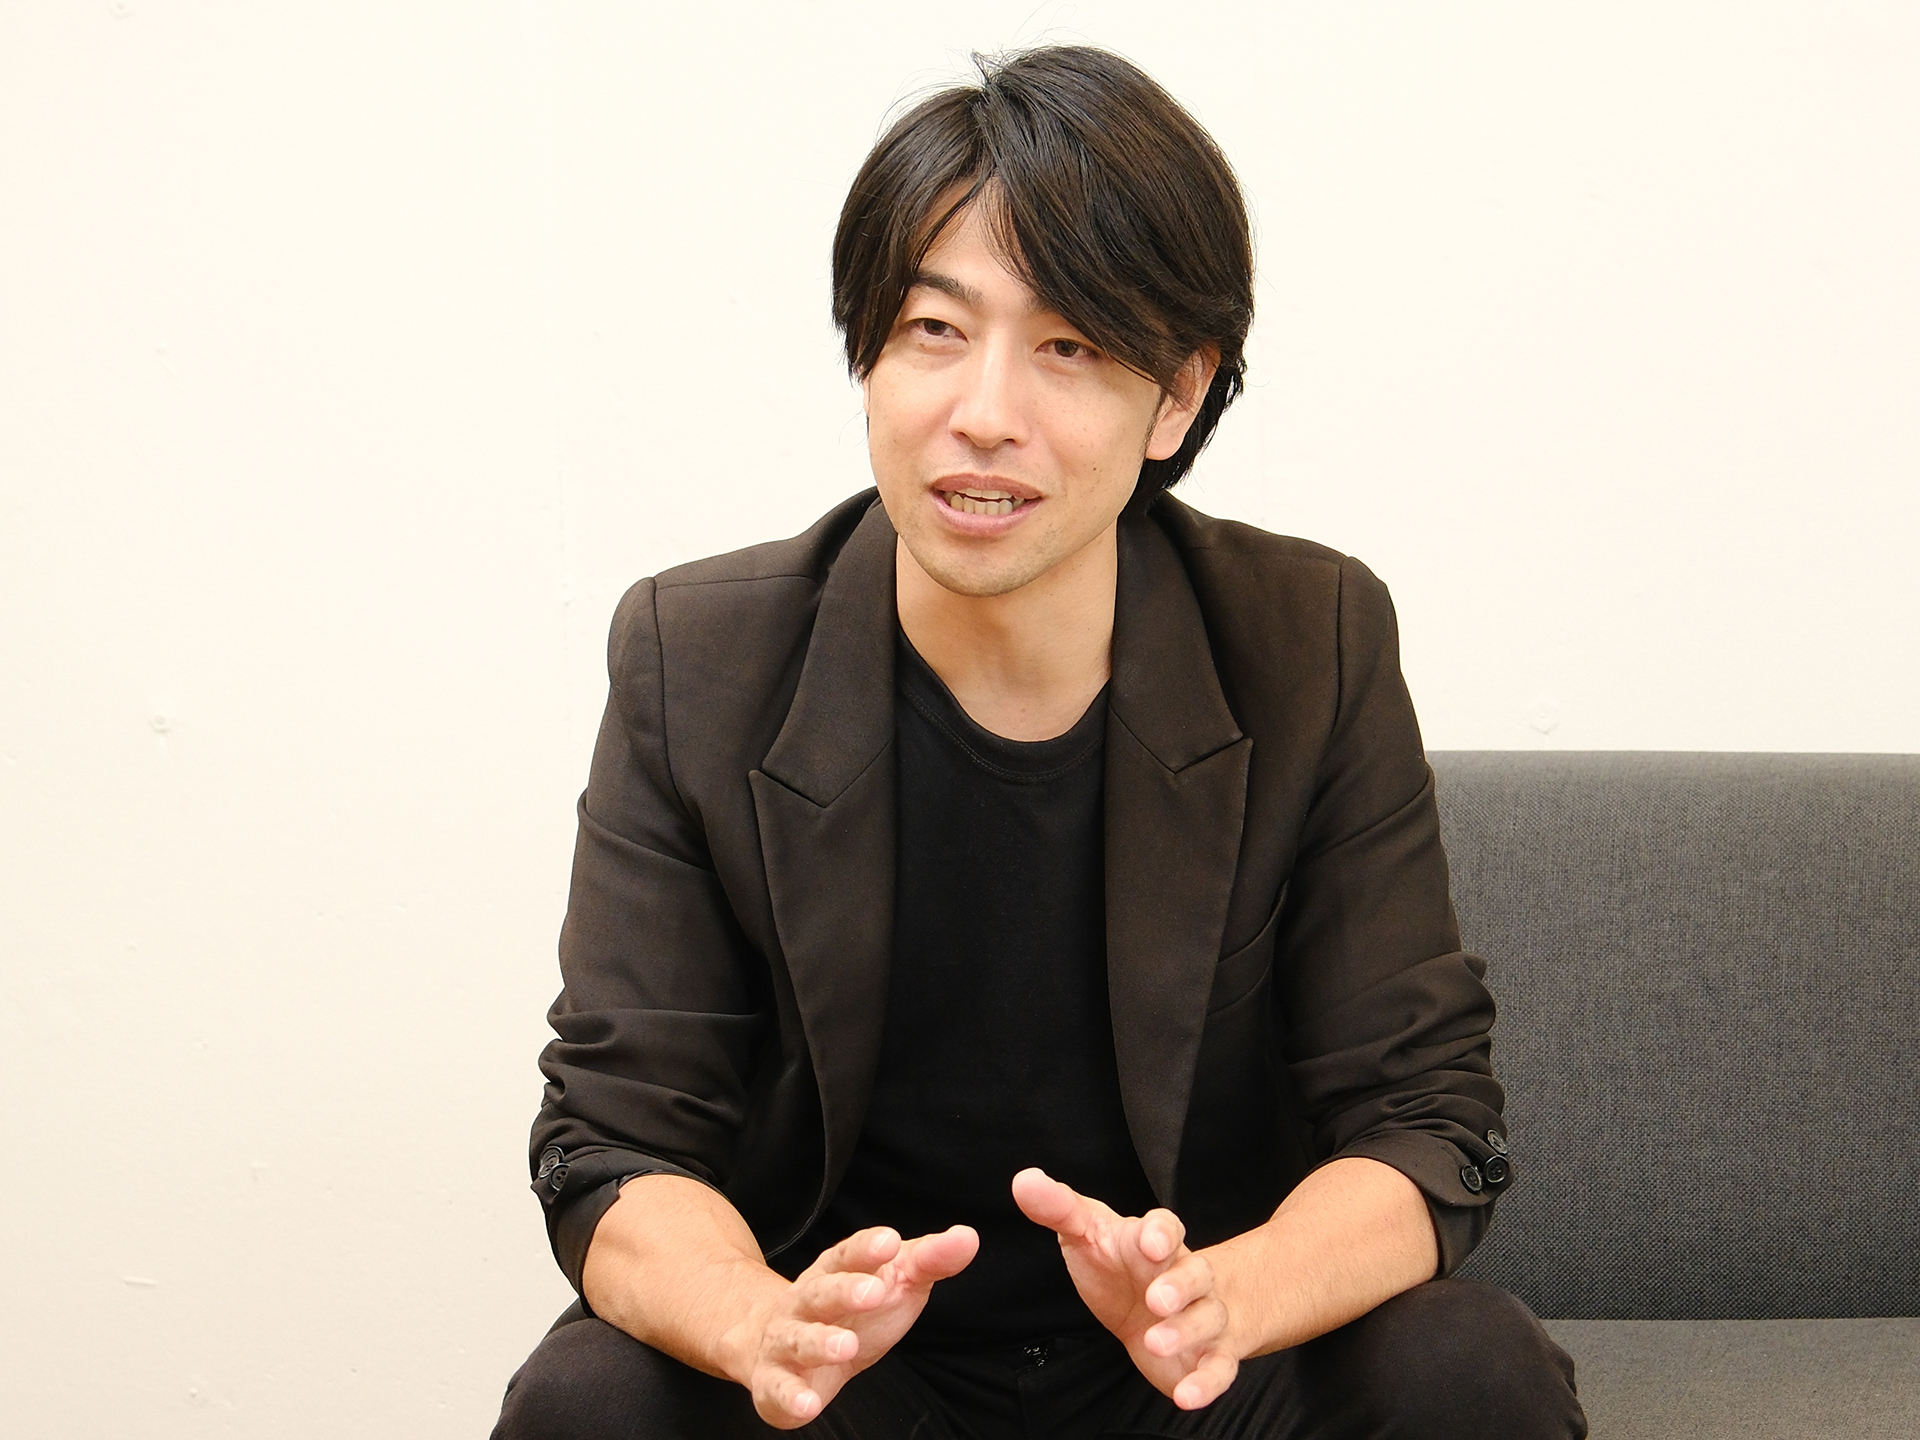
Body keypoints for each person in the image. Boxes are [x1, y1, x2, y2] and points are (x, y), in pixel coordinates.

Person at [493, 45, 1585, 1440]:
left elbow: (1425, 1116)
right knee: (590, 1399)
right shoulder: (696, 660)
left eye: (1067, 347)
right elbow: (614, 1135)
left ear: (1177, 395)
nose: (985, 414)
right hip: (854, 1384)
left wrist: (1223, 1299)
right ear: (869, 355)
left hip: (1198, 1370)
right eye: (933, 330)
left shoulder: (1308, 638)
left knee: (1470, 1370)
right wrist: (760, 1321)